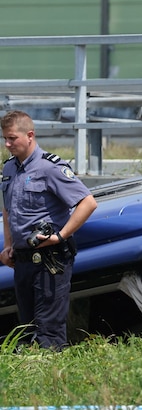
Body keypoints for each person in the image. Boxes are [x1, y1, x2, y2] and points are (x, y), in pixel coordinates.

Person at [0, 110, 98, 349]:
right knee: (27, 328)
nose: (7, 143)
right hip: (22, 259)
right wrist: (8, 245)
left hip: (50, 259)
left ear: (30, 135)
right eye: (5, 138)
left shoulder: (50, 167)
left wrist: (60, 236)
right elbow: (8, 210)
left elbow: (88, 202)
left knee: (48, 331)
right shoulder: (10, 169)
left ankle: (54, 379)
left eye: (12, 138)